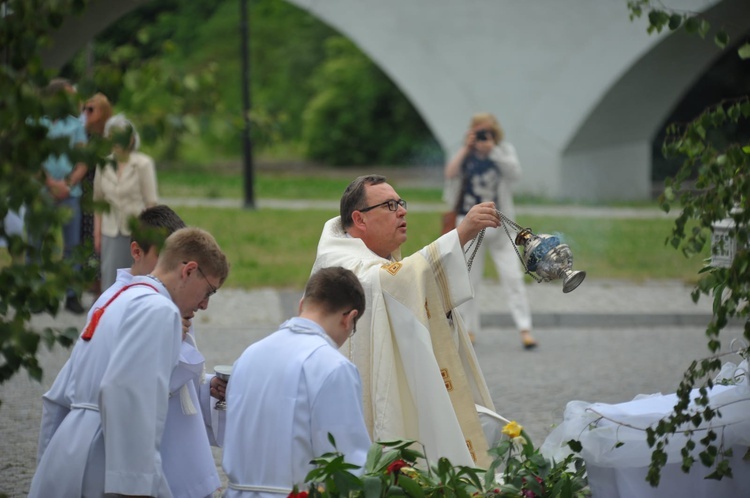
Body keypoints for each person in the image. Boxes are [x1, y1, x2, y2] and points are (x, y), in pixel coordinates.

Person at [310, 175, 507, 469]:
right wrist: (460, 234)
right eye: (390, 205)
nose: (402, 211)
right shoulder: (341, 262)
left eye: (401, 203)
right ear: (359, 219)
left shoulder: (373, 260)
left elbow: (402, 280)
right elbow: (385, 282)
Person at [29, 227, 230, 498]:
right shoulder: (159, 310)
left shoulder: (116, 299)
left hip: (68, 452)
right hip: (103, 459)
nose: (205, 304)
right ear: (189, 270)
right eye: (209, 291)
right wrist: (135, 488)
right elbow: (129, 398)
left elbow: (57, 397)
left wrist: (50, 462)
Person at [222, 267, 370, 498]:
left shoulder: (249, 355)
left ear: (302, 304)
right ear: (349, 318)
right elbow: (347, 464)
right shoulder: (333, 367)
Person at [444, 112, 538, 349]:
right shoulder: (464, 152)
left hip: (500, 222)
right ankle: (468, 330)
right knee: (469, 277)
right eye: (479, 133)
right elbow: (450, 173)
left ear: (495, 133)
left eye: (488, 132)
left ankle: (524, 328)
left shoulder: (503, 151)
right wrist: (467, 148)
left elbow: (516, 174)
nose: (484, 137)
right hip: (469, 220)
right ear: (471, 132)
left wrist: (492, 150)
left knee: (512, 276)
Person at [33, 78, 89, 314]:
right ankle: (37, 293)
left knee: (72, 246)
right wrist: (49, 183)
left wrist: (66, 184)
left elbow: (83, 160)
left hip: (70, 193)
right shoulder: (35, 122)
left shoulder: (76, 125)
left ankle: (71, 295)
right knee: (35, 243)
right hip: (41, 192)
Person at [94, 113, 158, 290]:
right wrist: (97, 234)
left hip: (135, 232)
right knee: (110, 280)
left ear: (131, 139)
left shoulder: (143, 164)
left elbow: (151, 203)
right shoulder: (103, 165)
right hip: (110, 231)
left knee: (135, 280)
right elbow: (98, 202)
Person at [80, 92, 113, 297]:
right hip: (84, 193)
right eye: (84, 108)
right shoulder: (82, 136)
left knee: (100, 240)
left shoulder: (108, 139)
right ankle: (89, 282)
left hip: (100, 193)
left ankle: (101, 284)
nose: (86, 113)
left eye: (91, 109)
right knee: (84, 239)